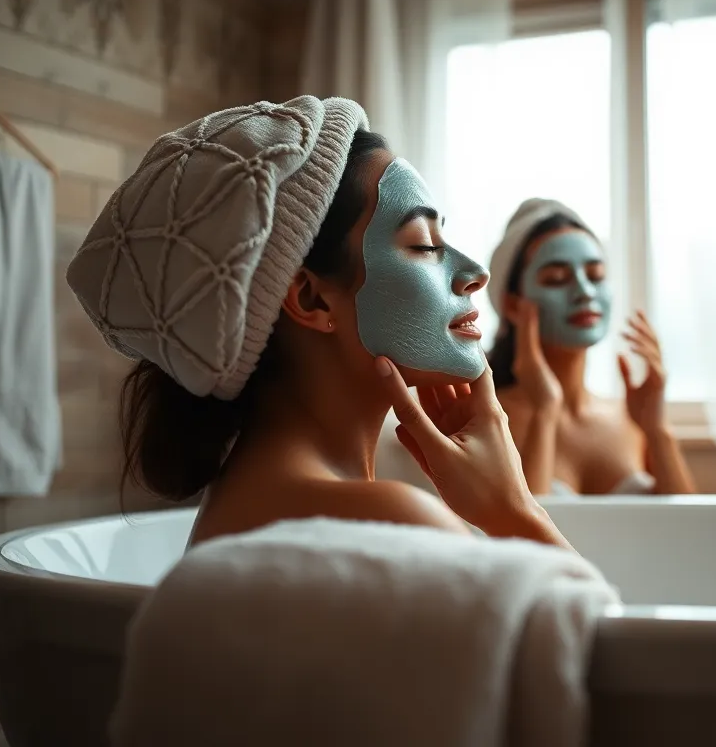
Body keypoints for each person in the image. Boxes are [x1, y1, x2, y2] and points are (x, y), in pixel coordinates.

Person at [65, 96, 572, 549]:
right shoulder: (390, 522)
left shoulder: (244, 500)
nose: (474, 274)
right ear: (311, 298)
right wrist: (515, 512)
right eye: (424, 245)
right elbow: (611, 653)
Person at [486, 199, 696, 497]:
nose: (585, 291)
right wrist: (545, 411)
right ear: (512, 304)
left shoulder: (632, 417)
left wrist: (657, 430)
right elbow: (515, 539)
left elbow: (691, 531)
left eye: (596, 276)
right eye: (556, 279)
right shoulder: (489, 417)